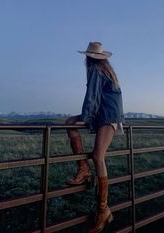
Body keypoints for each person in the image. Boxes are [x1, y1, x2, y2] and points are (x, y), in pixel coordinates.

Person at [65, 42, 124, 233]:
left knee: (98, 157)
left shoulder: (95, 69)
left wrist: (85, 116)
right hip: (105, 114)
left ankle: (103, 210)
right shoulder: (104, 69)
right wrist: (87, 117)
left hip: (107, 116)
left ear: (88, 57)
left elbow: (92, 97)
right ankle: (83, 169)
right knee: (69, 123)